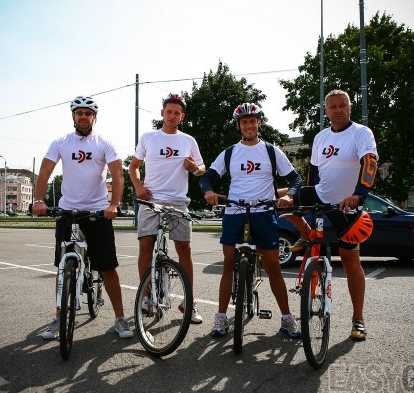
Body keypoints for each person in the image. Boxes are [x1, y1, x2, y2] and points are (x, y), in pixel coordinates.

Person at [199, 102, 304, 338]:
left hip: (264, 212)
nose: (249, 125)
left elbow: (295, 179)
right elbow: (207, 178)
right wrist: (209, 192)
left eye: (252, 121)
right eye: (244, 122)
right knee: (228, 264)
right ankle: (221, 317)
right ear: (239, 126)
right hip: (235, 212)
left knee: (273, 266)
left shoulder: (271, 151)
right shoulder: (230, 152)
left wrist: (289, 195)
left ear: (259, 123)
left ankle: (287, 318)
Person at [33, 95, 133, 339]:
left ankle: (120, 319)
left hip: (98, 213)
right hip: (67, 212)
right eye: (79, 113)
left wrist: (114, 204)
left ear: (94, 117)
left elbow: (118, 175)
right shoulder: (61, 142)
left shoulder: (104, 143)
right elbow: (45, 172)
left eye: (88, 113)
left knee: (108, 267)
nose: (84, 117)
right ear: (73, 116)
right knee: (62, 266)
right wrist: (39, 200)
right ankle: (58, 318)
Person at [286, 89, 378, 341]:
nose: (338, 110)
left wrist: (359, 195)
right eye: (333, 106)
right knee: (281, 202)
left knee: (350, 261)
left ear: (349, 107)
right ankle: (306, 233)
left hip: (347, 206)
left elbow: (370, 162)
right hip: (320, 197)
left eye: (342, 105)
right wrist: (306, 201)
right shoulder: (321, 137)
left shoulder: (361, 133)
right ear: (326, 111)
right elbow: (313, 173)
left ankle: (358, 318)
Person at [128, 93, 206, 324]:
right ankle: (146, 297)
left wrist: (194, 168)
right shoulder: (148, 138)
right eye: (169, 112)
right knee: (146, 245)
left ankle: (189, 302)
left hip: (178, 201)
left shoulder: (188, 140)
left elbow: (202, 168)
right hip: (150, 200)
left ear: (182, 117)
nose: (172, 116)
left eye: (176, 113)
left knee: (185, 249)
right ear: (162, 113)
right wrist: (139, 188)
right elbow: (133, 167)